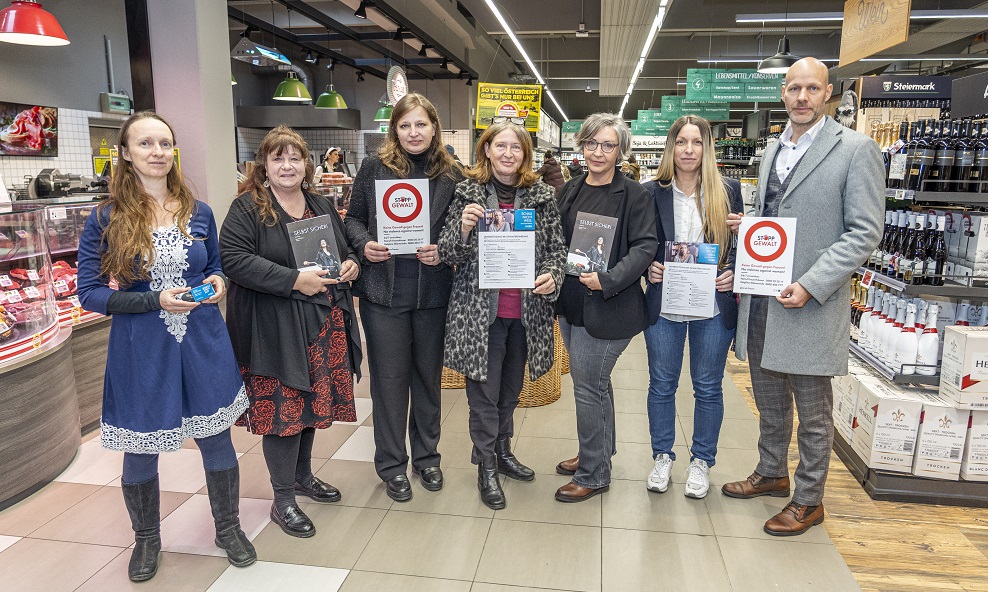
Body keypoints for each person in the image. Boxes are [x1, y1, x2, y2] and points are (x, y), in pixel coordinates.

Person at [76, 111, 255, 582]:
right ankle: (147, 541)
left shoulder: (198, 211)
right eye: (146, 144)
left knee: (216, 438)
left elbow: (216, 266)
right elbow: (90, 292)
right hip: (142, 345)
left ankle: (228, 527)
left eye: (164, 143)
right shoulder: (105, 218)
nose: (157, 152)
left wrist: (216, 283)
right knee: (141, 445)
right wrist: (154, 300)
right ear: (126, 153)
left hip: (202, 338)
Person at [722, 58, 885, 535]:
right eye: (794, 88)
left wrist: (813, 283)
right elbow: (774, 213)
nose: (802, 97)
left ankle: (809, 499)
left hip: (809, 301)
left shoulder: (856, 149)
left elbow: (864, 231)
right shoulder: (774, 149)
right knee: (768, 397)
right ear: (783, 94)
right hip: (762, 297)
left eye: (812, 88)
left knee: (813, 412)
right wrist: (747, 228)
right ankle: (772, 472)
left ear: (828, 92)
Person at [220, 125, 362, 538]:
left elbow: (342, 248)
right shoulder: (248, 208)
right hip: (275, 331)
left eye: (295, 157)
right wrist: (293, 280)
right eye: (278, 157)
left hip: (322, 324)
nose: (287, 165)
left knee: (310, 409)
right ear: (263, 164)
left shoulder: (319, 204)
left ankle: (302, 477)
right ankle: (282, 499)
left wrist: (351, 263)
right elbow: (234, 260)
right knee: (283, 414)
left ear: (307, 165)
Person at [439, 121, 567, 509]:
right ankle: (486, 466)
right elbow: (448, 253)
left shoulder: (542, 196)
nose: (508, 153)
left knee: (510, 392)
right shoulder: (467, 192)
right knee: (483, 395)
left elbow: (556, 250)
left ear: (525, 154)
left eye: (516, 147)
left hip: (525, 314)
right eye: (501, 146)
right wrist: (462, 229)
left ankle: (503, 450)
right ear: (487, 150)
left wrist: (551, 275)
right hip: (480, 316)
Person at [344, 93, 463, 502]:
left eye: (421, 125)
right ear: (394, 129)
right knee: (390, 383)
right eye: (405, 125)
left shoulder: (453, 174)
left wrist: (444, 250)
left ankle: (427, 458)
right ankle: (393, 464)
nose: (414, 133)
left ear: (434, 128)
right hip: (384, 292)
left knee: (428, 381)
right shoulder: (373, 168)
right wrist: (365, 245)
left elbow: (460, 231)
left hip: (432, 293)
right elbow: (354, 218)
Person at [553, 113, 658, 502]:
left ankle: (594, 473)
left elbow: (646, 246)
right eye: (591, 143)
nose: (598, 152)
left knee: (587, 388)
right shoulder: (570, 189)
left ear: (620, 151)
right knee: (596, 384)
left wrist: (609, 278)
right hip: (572, 305)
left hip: (611, 307)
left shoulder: (634, 194)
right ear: (582, 146)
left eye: (607, 145)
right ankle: (598, 451)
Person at [642, 115, 744, 500]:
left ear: (707, 148)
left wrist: (733, 270)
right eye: (681, 142)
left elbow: (738, 246)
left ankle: (701, 460)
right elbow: (643, 241)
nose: (688, 150)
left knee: (707, 387)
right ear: (671, 147)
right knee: (662, 384)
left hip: (712, 307)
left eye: (696, 142)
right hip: (665, 305)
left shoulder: (728, 191)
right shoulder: (652, 191)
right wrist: (649, 264)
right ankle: (662, 455)